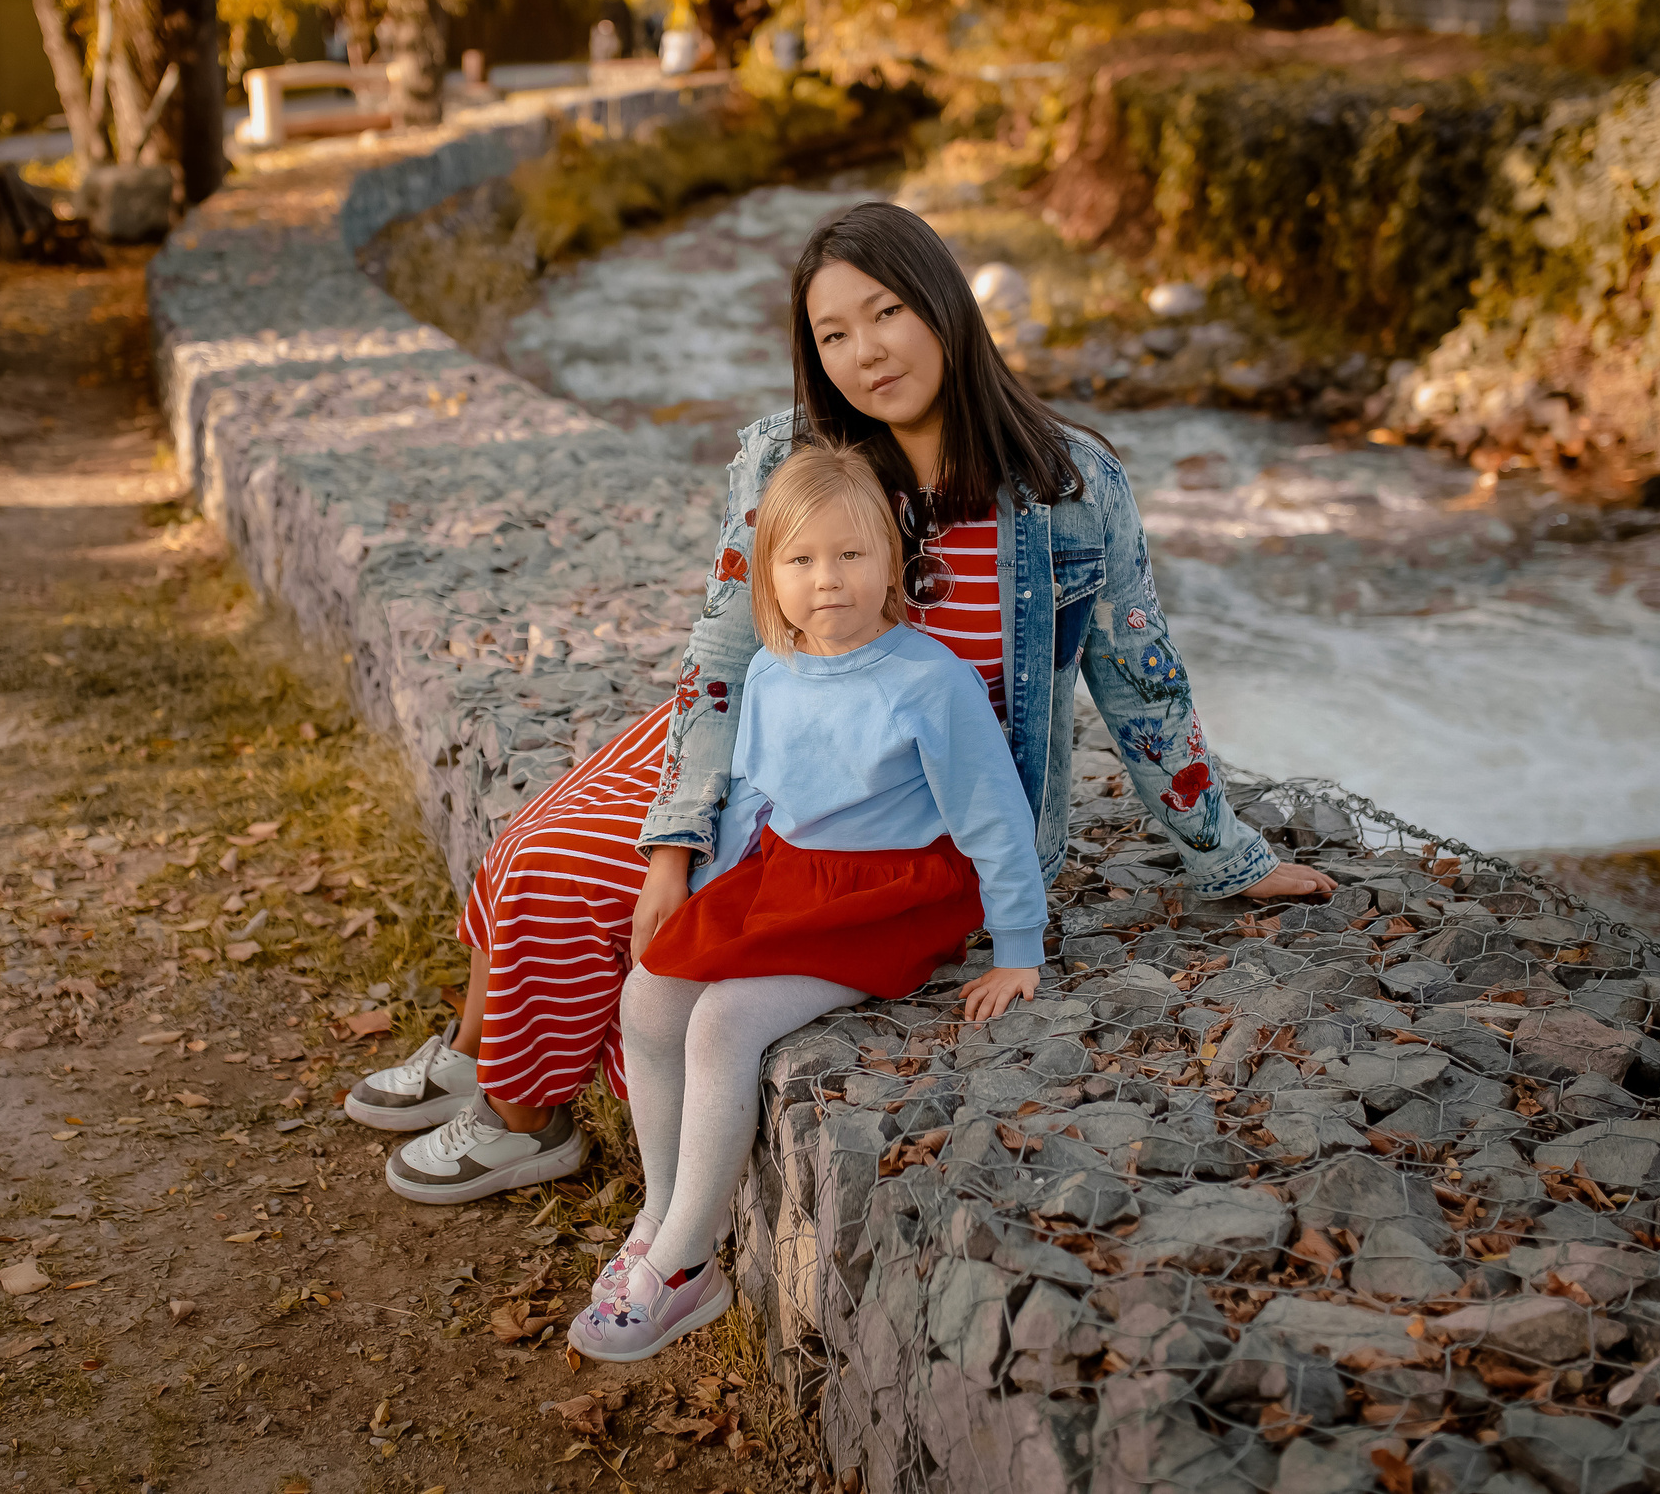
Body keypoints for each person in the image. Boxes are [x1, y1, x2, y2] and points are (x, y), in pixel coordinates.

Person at [353, 200, 1335, 1205]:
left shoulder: (1071, 484)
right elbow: (724, 652)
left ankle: (520, 1117)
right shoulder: (790, 456)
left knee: (565, 874)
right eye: (833, 334)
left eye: (887, 314)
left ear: (944, 310)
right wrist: (676, 841)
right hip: (763, 732)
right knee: (536, 841)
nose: (866, 352)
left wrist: (1228, 854)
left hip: (888, 804)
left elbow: (1142, 681)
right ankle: (482, 1052)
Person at [569, 444, 1046, 1360]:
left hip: (891, 896)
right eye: (801, 560)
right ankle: (661, 1210)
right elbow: (753, 801)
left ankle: (683, 1266)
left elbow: (994, 816)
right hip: (788, 879)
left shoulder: (928, 679)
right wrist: (712, 907)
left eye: (852, 555)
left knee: (724, 1021)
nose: (827, 579)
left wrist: (1018, 945)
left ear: (892, 564)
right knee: (650, 992)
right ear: (770, 578)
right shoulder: (770, 673)